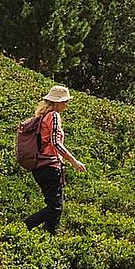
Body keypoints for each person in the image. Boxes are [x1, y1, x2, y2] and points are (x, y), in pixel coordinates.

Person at [15, 85, 86, 234]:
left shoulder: (42, 116)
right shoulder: (53, 116)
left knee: (55, 206)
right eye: (64, 101)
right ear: (57, 102)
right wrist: (73, 161)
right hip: (49, 166)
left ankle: (49, 236)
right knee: (55, 207)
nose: (66, 105)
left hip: (40, 167)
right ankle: (21, 228)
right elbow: (55, 143)